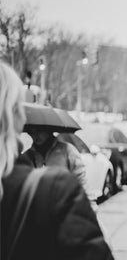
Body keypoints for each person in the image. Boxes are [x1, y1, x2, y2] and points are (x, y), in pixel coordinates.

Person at [0, 62, 113, 260]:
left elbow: (84, 188)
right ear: (15, 118)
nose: (35, 134)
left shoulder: (68, 152)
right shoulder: (55, 186)